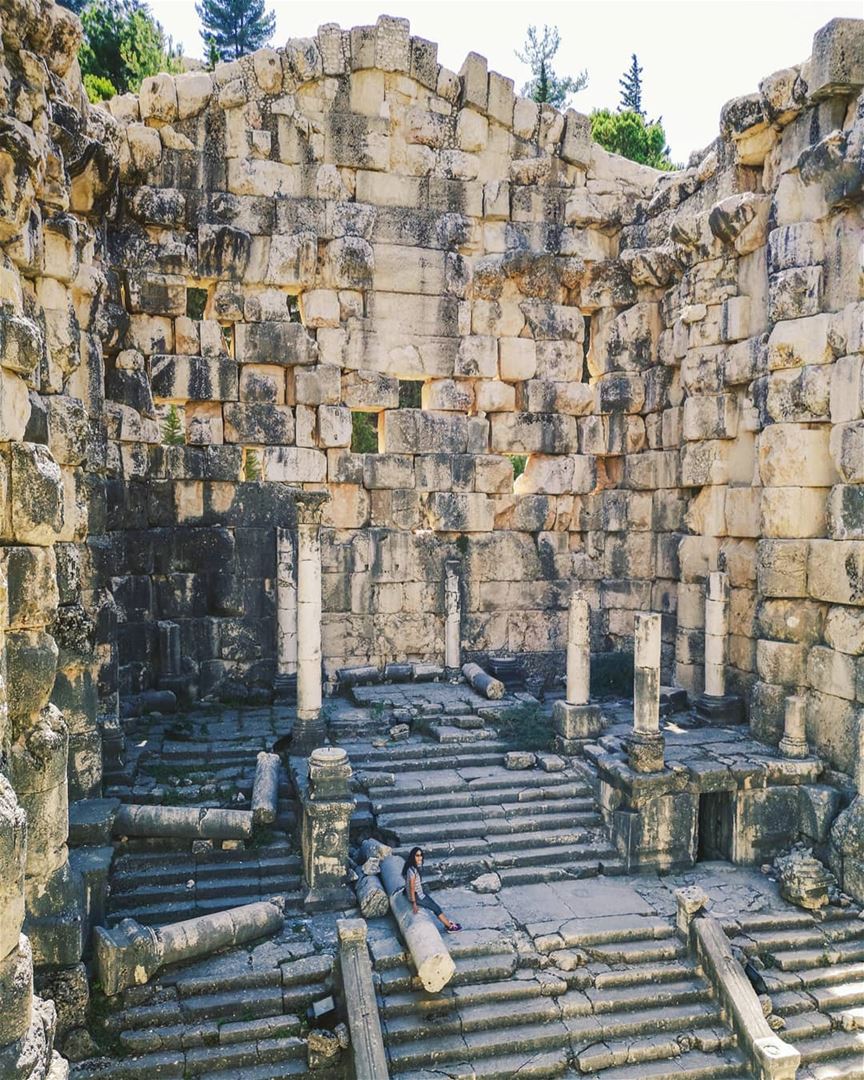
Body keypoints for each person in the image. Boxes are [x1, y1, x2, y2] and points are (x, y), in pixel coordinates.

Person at [402, 847, 461, 932]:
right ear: (413, 857)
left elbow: (407, 882)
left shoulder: (410, 867)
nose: (420, 857)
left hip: (417, 893)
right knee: (436, 908)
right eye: (417, 855)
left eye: (421, 855)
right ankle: (450, 927)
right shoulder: (413, 870)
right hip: (418, 896)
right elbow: (411, 886)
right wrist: (414, 903)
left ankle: (448, 923)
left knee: (431, 900)